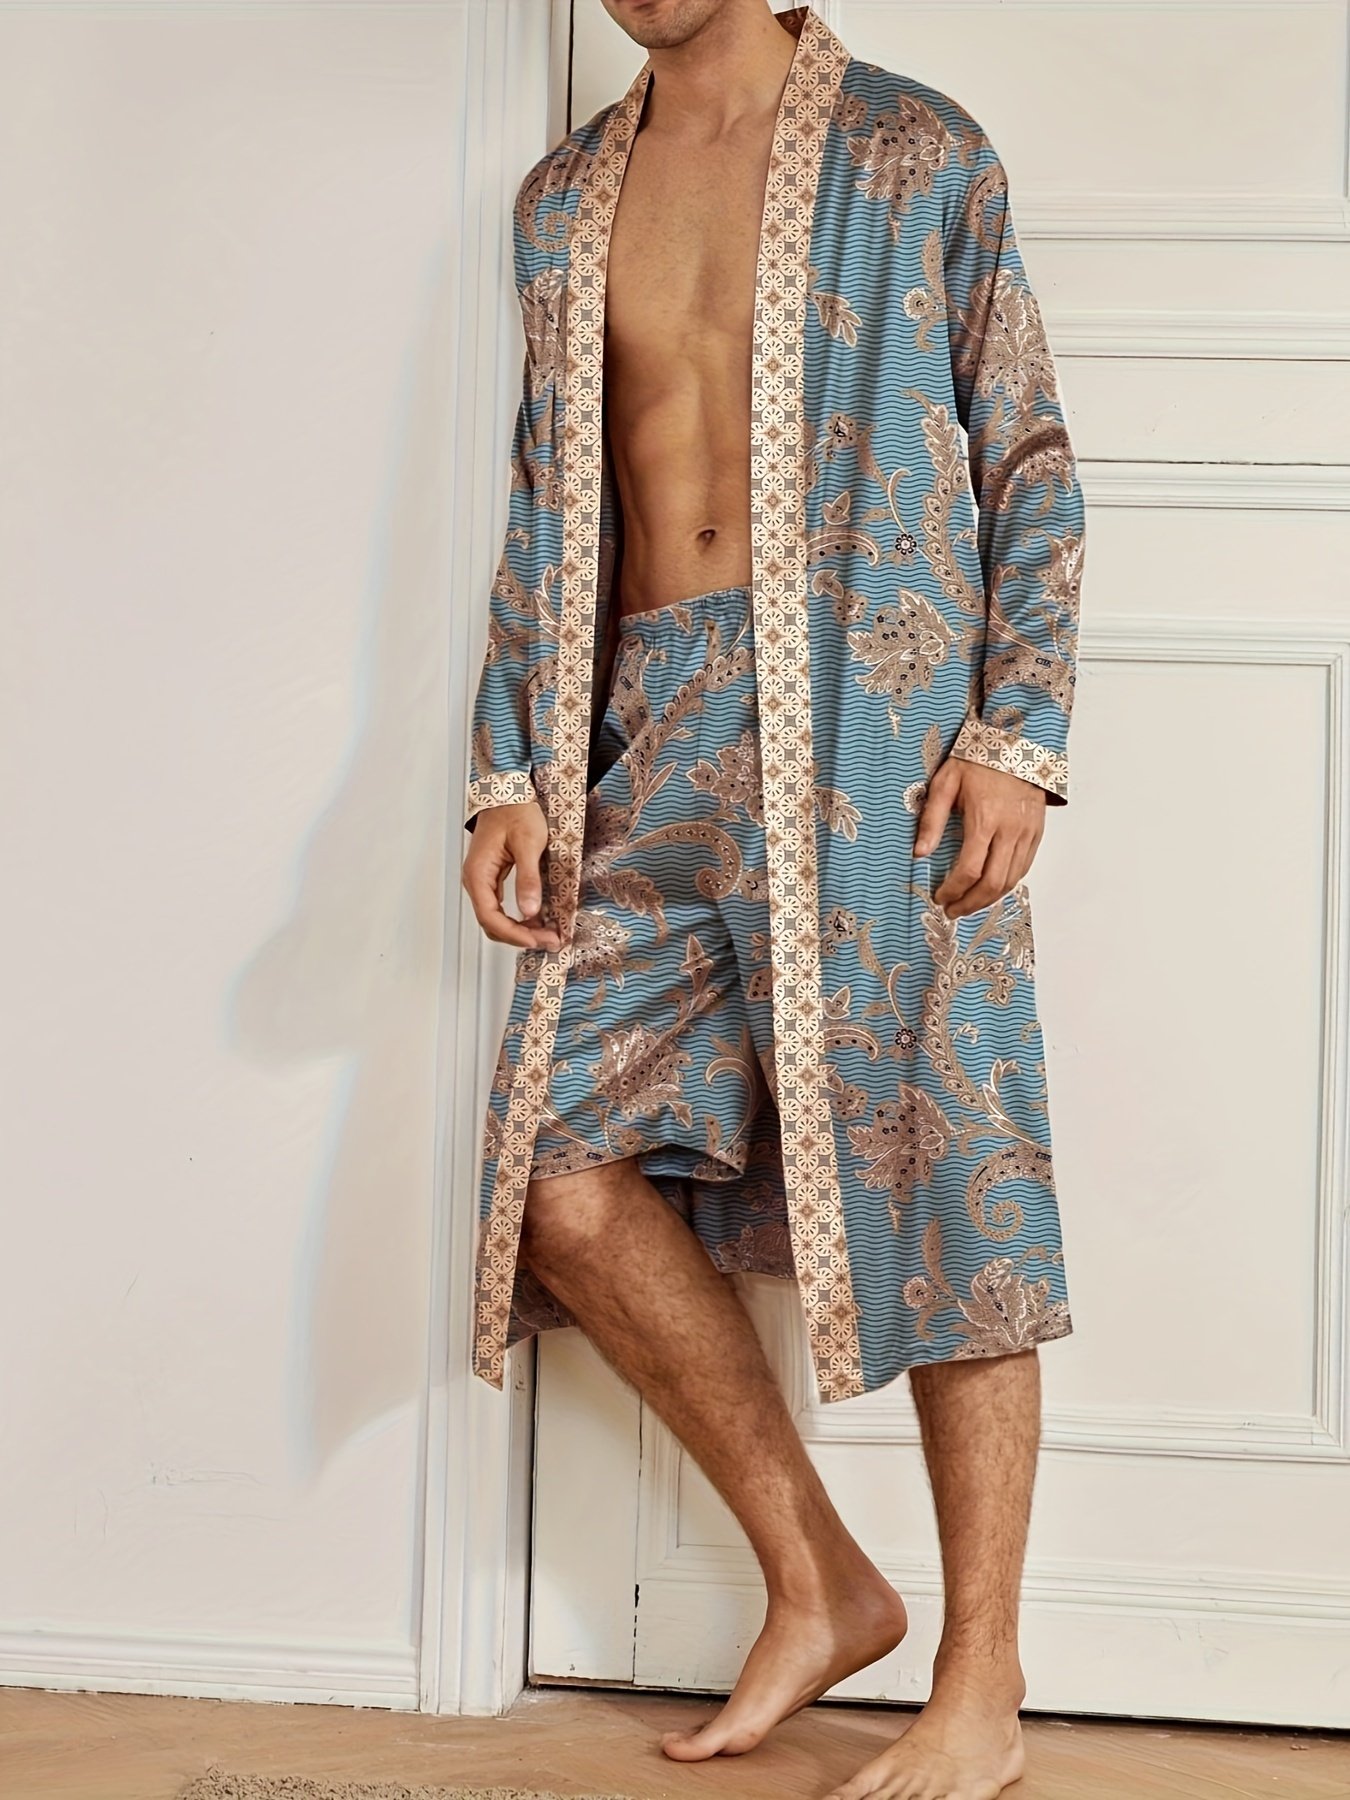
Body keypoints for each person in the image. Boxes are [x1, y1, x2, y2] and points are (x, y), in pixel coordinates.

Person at [461, 2, 1086, 1794]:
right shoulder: (564, 199)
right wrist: (511, 766)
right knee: (558, 1177)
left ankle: (981, 1679)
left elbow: (1026, 455)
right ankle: (820, 1582)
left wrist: (1016, 733)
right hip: (641, 725)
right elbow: (547, 494)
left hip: (879, 725)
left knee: (948, 1172)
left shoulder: (912, 148)